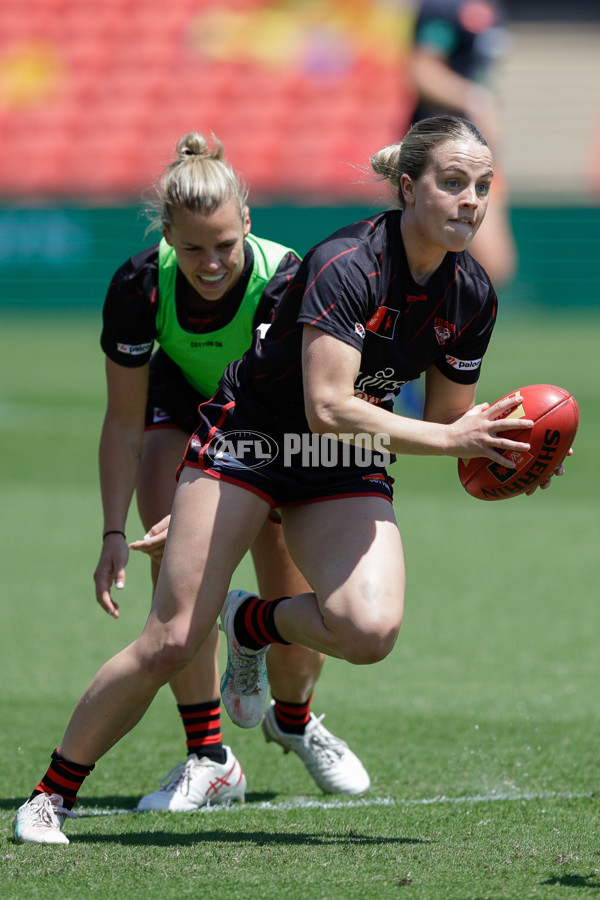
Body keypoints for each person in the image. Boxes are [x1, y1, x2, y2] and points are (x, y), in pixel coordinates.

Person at [13, 115, 569, 845]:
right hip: (251, 440)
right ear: (408, 187)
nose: (471, 200)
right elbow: (328, 405)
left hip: (338, 459)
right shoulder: (349, 262)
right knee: (174, 637)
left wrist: (497, 454)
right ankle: (50, 797)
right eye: (453, 182)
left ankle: (253, 625)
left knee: (370, 632)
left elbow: (447, 423)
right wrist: (452, 436)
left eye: (483, 187)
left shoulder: (471, 295)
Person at [93, 132, 370, 814]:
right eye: (192, 249)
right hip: (179, 409)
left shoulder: (287, 278)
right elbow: (124, 423)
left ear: (247, 221)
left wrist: (215, 482)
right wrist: (111, 531)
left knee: (293, 592)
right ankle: (210, 757)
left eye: (224, 243)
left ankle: (294, 716)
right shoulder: (139, 284)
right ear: (167, 237)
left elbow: (273, 402)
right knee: (178, 585)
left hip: (274, 423)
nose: (211, 262)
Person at [407, 0, 516, 287]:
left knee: (495, 266)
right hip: (443, 148)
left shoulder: (493, 11)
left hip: (477, 150)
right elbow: (423, 72)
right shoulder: (443, 7)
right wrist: (475, 100)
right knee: (475, 261)